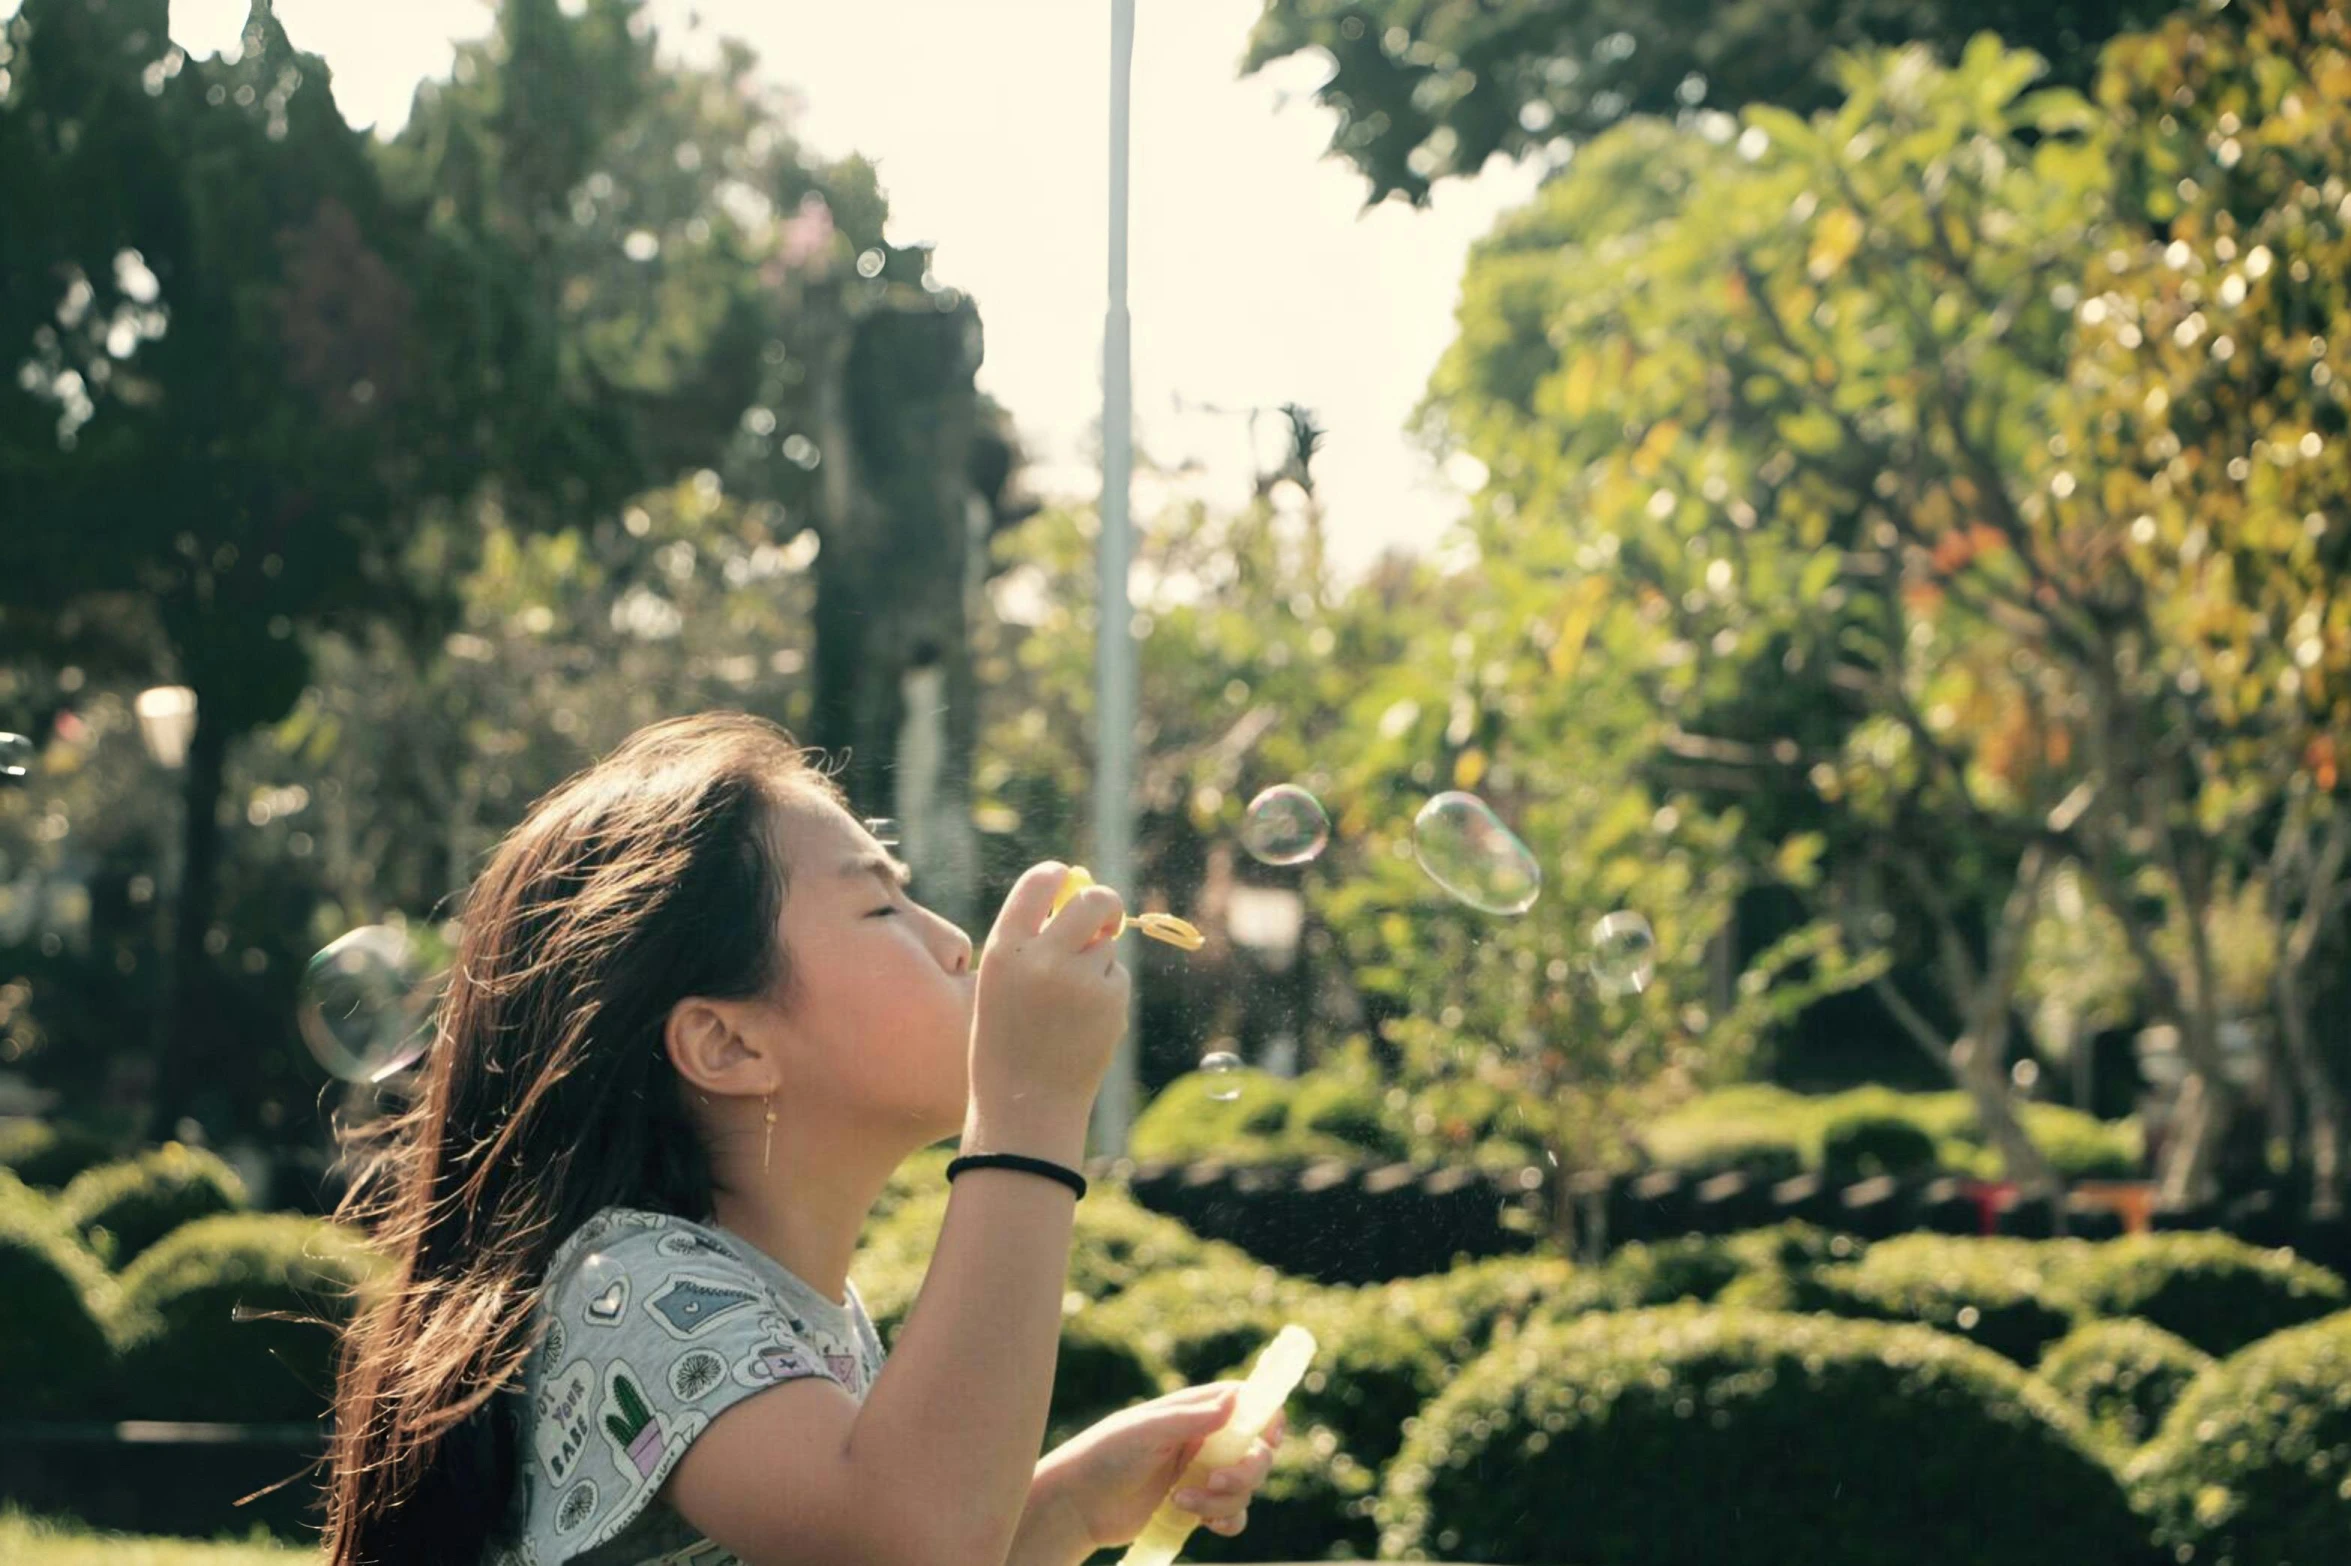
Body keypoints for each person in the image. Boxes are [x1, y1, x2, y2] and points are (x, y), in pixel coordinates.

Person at [320, 713, 1282, 1564]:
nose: (957, 943)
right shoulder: (634, 1293)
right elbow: (907, 1544)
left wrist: (1063, 1510)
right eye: (881, 905)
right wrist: (1028, 1108)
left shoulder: (797, 1315)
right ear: (728, 1042)